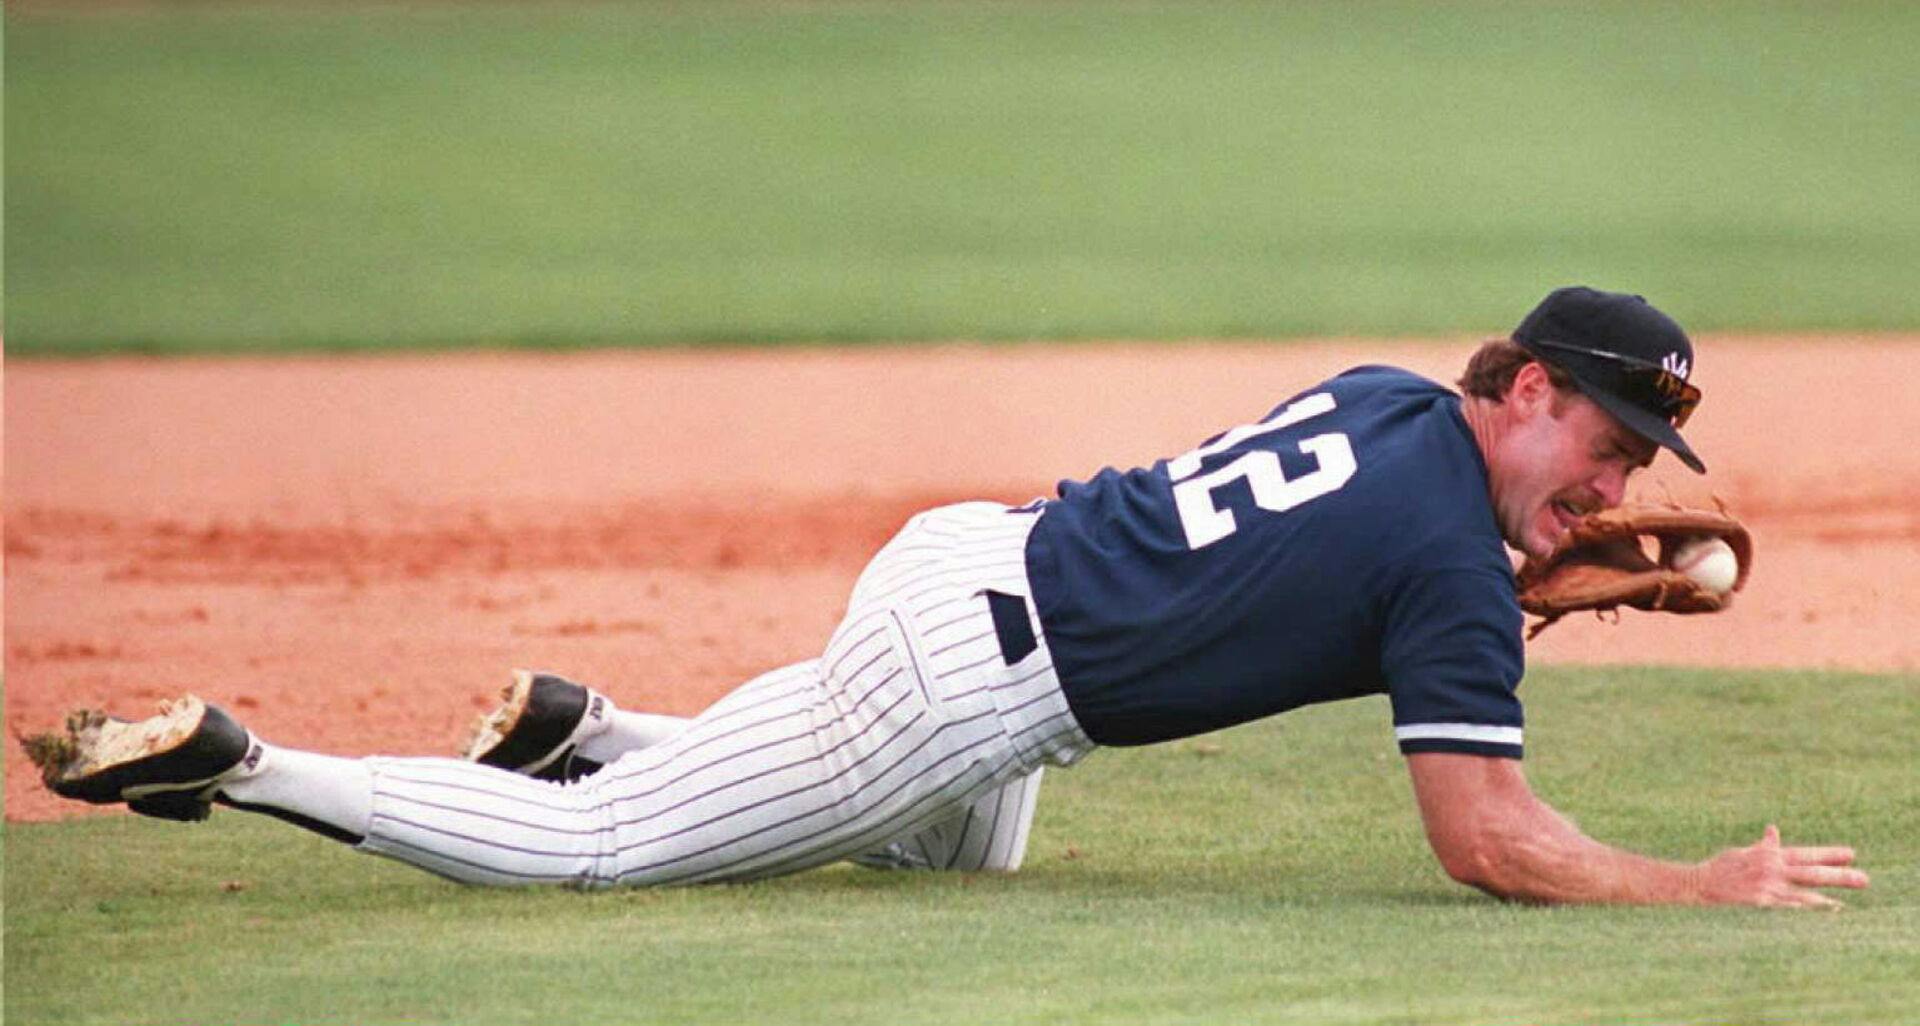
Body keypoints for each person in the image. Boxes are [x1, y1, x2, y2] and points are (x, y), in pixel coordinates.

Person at [27, 286, 1868, 907]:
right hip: (971, 687)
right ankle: (249, 757)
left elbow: (1336, 575)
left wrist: (1510, 579)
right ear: (1529, 391)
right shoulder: (1453, 563)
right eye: (1609, 437)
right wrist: (1689, 882)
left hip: (969, 561)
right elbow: (1487, 837)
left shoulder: (1397, 405)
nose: (1621, 482)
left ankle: (595, 731)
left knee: (962, 868)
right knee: (605, 863)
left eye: (1640, 459)